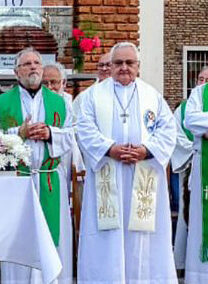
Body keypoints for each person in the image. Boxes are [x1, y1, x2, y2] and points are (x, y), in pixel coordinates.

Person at [76, 42, 177, 283]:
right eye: (118, 63)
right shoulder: (92, 95)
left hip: (142, 176)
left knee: (142, 237)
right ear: (109, 66)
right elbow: (84, 128)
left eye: (129, 63)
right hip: (107, 174)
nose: (123, 67)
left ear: (138, 66)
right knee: (107, 236)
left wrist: (147, 150)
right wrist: (109, 148)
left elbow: (168, 129)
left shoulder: (152, 95)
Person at [0, 48, 75, 284]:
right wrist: (19, 132)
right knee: (19, 240)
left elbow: (72, 136)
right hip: (17, 181)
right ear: (17, 73)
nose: (33, 67)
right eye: (26, 64)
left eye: (37, 62)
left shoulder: (60, 102)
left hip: (48, 180)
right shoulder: (2, 102)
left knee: (51, 240)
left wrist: (49, 133)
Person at [172, 68, 206, 272]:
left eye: (207, 79)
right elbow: (186, 125)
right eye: (200, 79)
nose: (203, 82)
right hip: (195, 164)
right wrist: (195, 150)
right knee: (193, 218)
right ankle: (187, 265)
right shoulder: (189, 104)